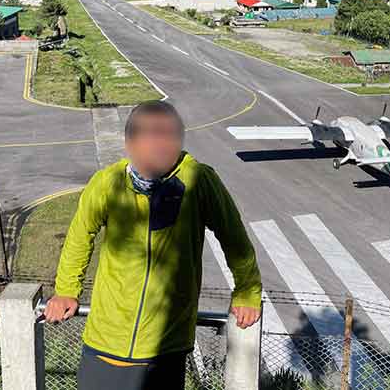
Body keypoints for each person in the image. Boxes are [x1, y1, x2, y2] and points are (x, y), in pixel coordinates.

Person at [44, 101, 262, 390]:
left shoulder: (200, 180)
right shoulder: (106, 182)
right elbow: (79, 237)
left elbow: (234, 239)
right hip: (105, 340)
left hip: (165, 346)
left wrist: (247, 292)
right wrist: (67, 291)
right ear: (129, 142)